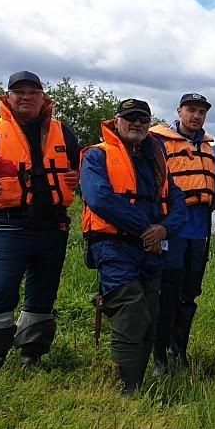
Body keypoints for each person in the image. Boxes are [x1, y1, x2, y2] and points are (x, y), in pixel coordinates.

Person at [0, 70, 81, 376]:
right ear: (8, 97)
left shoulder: (64, 132)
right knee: (3, 290)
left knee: (43, 294)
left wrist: (75, 177)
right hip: (11, 224)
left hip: (54, 226)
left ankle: (32, 356)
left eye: (33, 92)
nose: (26, 97)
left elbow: (77, 167)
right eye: (19, 92)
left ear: (43, 98)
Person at [80, 98, 186, 394]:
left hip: (151, 248)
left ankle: (136, 381)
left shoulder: (157, 160)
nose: (137, 123)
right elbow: (99, 198)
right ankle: (127, 386)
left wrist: (163, 229)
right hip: (113, 245)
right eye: (131, 118)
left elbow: (178, 204)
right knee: (131, 307)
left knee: (150, 312)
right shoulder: (96, 156)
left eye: (143, 118)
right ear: (116, 121)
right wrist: (146, 230)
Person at [147, 93, 215, 374]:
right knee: (167, 293)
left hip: (199, 232)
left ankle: (180, 350)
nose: (196, 116)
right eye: (191, 110)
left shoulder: (208, 148)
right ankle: (159, 355)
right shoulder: (158, 143)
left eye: (202, 112)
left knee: (189, 294)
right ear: (178, 111)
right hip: (171, 230)